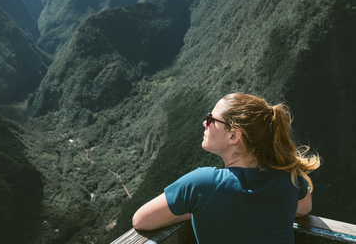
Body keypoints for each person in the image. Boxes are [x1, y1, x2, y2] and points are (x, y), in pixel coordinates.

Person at [132, 93, 320, 244]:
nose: (204, 123)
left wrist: (195, 210)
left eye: (211, 119)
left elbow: (141, 220)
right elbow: (304, 209)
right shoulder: (290, 177)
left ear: (233, 136)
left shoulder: (203, 184)